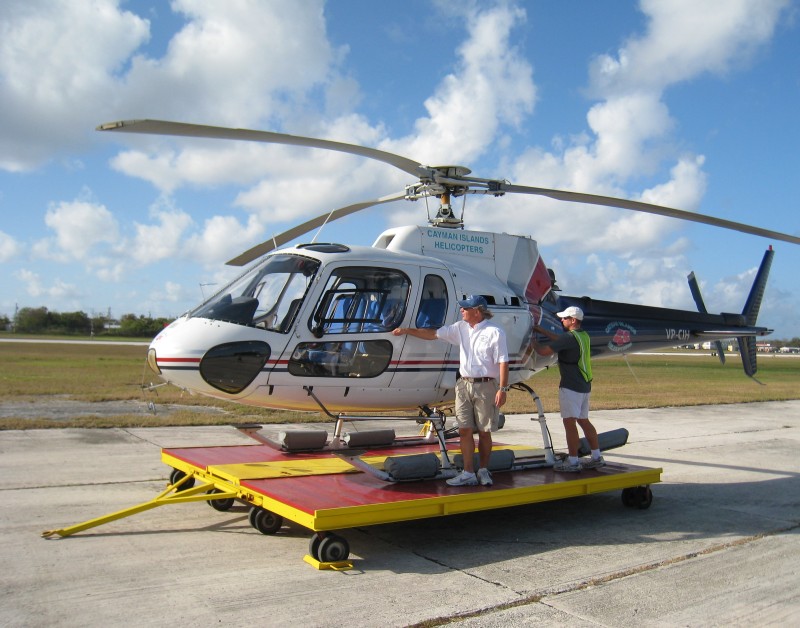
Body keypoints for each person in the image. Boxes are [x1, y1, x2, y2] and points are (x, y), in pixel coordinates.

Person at [393, 295, 509, 486]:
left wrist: (502, 389)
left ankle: (483, 470)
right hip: (463, 384)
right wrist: (407, 331)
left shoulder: (495, 332)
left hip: (486, 386)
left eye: (465, 308)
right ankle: (468, 472)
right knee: (464, 430)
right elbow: (433, 334)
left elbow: (503, 362)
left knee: (484, 431)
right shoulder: (460, 328)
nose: (462, 310)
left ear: (477, 311)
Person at [533, 306, 604, 472]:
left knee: (569, 423)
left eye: (565, 318)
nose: (561, 320)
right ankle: (596, 457)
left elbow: (543, 351)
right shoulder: (582, 335)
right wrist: (543, 331)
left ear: (573, 320)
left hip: (571, 386)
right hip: (584, 384)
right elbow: (561, 340)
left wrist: (532, 342)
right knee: (584, 420)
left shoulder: (568, 338)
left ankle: (573, 462)